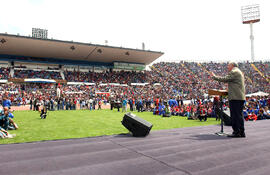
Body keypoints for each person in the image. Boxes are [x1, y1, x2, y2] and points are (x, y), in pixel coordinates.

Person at [210, 62, 246, 138]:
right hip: (239, 97)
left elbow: (225, 79)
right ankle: (241, 132)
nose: (227, 67)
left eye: (228, 65)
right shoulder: (238, 71)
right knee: (239, 115)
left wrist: (214, 77)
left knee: (235, 115)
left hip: (235, 97)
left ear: (232, 66)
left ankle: (236, 132)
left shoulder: (234, 71)